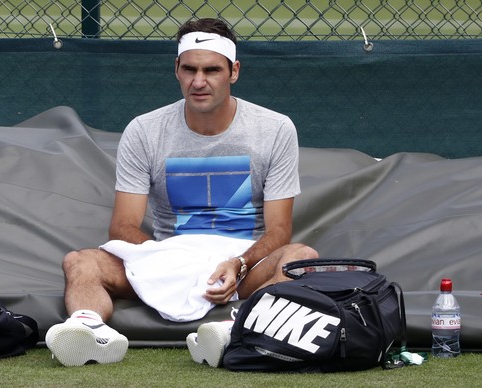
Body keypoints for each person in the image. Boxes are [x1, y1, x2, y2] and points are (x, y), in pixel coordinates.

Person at [45, 18, 318, 367]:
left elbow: (279, 231)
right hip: (167, 260)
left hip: (243, 265)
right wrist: (166, 261)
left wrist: (238, 264)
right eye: (189, 69)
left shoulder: (276, 129)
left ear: (234, 71)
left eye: (212, 70)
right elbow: (123, 226)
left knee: (301, 257)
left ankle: (235, 331)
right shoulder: (144, 130)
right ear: (176, 68)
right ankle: (87, 330)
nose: (199, 81)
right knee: (80, 261)